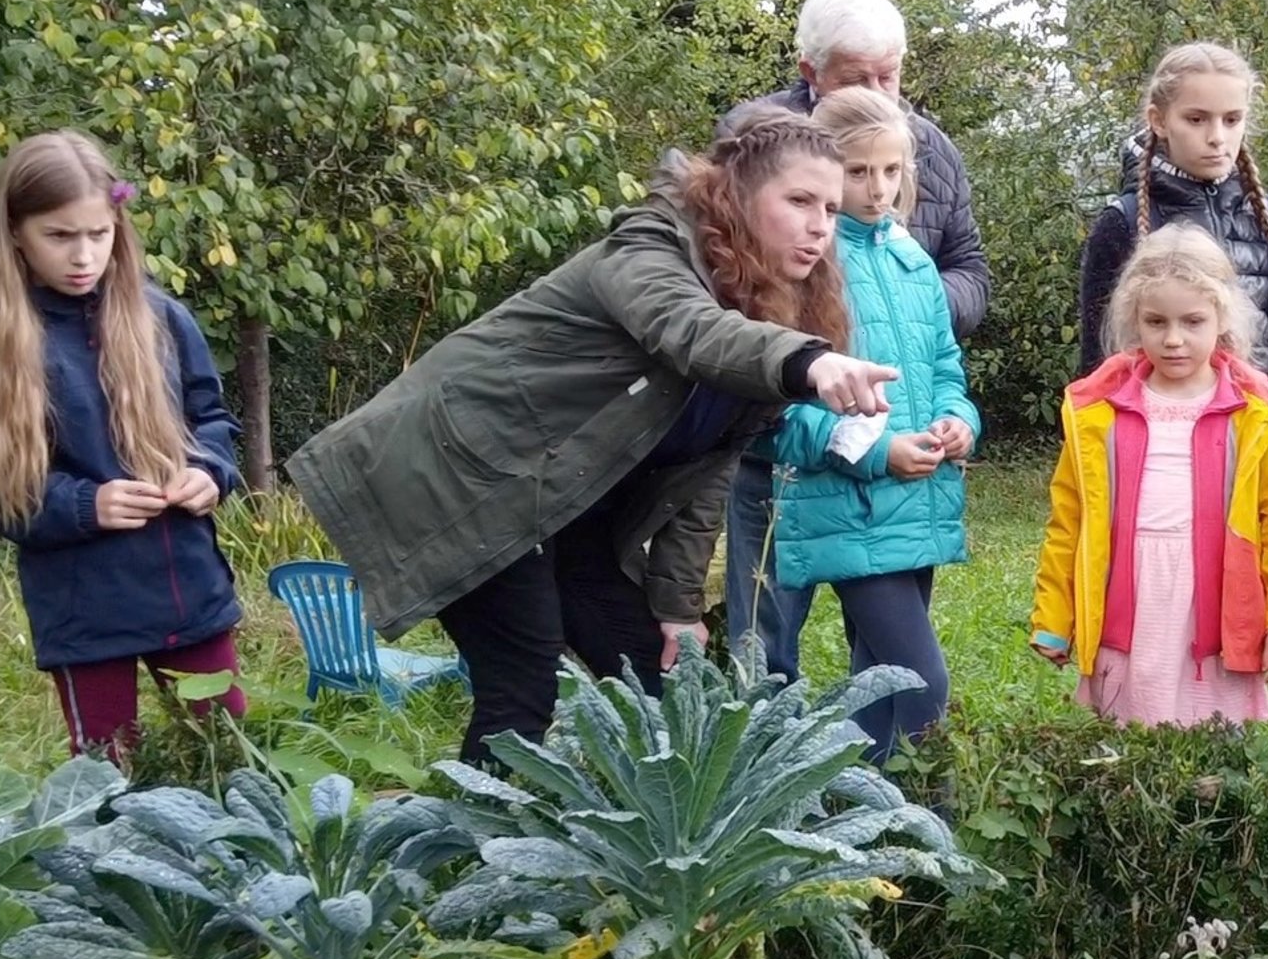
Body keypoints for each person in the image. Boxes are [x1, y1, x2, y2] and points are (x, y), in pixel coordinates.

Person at [286, 110, 900, 766]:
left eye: (831, 210)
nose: (818, 227)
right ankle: (470, 856)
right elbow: (687, 331)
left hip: (562, 501)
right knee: (521, 686)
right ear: (738, 195)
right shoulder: (646, 252)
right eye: (799, 200)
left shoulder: (775, 305)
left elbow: (705, 472)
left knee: (656, 683)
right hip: (466, 469)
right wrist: (808, 361)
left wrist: (676, 606)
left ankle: (653, 856)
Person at [0, 130, 246, 760]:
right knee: (106, 773)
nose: (82, 256)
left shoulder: (163, 320)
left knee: (229, 756)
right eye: (60, 236)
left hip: (189, 591)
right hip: (82, 610)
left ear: (117, 228)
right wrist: (82, 505)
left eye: (97, 235)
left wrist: (209, 471)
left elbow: (211, 419)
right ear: (14, 233)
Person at [719, 0, 991, 680]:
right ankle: (754, 777)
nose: (876, 187)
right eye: (856, 75)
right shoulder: (760, 144)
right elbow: (734, 314)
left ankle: (875, 777)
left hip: (896, 450)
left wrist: (908, 311)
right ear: (810, 73)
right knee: (764, 643)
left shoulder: (928, 153)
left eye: (889, 73)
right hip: (786, 461)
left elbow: (965, 268)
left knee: (894, 669)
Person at [759, 87, 980, 760]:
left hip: (918, 503)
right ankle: (909, 820)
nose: (877, 188)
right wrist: (877, 452)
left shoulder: (914, 260)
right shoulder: (806, 267)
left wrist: (958, 421)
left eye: (892, 170)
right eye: (858, 172)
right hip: (849, 504)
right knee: (922, 684)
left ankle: (856, 827)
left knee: (878, 688)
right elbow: (778, 408)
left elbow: (945, 364)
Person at [1031, 225, 1268, 726]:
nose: (1174, 339)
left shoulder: (1260, 416)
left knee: (1213, 753)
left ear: (1222, 318)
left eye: (1193, 321)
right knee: (1128, 746)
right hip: (1131, 602)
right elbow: (1069, 521)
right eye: (1156, 321)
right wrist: (1056, 615)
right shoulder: (1096, 411)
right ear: (1133, 320)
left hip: (1215, 605)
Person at [1075, 42, 1268, 438]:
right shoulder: (1121, 224)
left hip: (1261, 444)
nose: (1216, 137)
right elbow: (1099, 361)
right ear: (1159, 120)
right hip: (1156, 450)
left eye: (1232, 120)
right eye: (1196, 119)